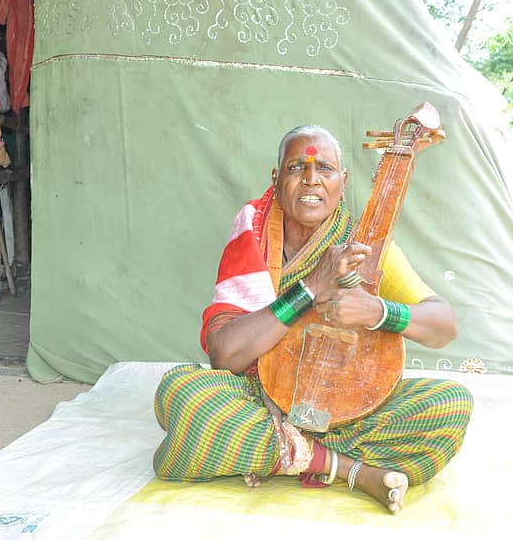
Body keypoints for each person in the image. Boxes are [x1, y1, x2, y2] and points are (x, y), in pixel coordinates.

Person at [152, 125, 473, 514]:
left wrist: (379, 312)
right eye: (296, 168)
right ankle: (346, 468)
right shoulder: (253, 236)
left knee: (451, 405)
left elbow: (444, 325)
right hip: (261, 398)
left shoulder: (365, 246)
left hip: (350, 409)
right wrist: (308, 288)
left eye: (324, 168)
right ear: (277, 178)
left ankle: (276, 453)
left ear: (343, 181)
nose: (311, 180)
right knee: (183, 394)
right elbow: (224, 354)